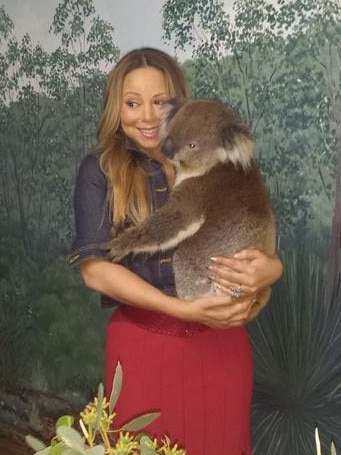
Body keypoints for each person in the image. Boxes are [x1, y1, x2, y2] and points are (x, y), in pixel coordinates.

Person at [68, 47, 282, 455]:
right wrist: (181, 310)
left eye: (160, 102)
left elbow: (257, 226)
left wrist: (272, 269)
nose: (148, 117)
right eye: (133, 103)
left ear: (179, 105)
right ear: (117, 106)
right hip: (146, 346)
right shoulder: (100, 170)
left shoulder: (220, 159)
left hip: (222, 343)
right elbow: (94, 270)